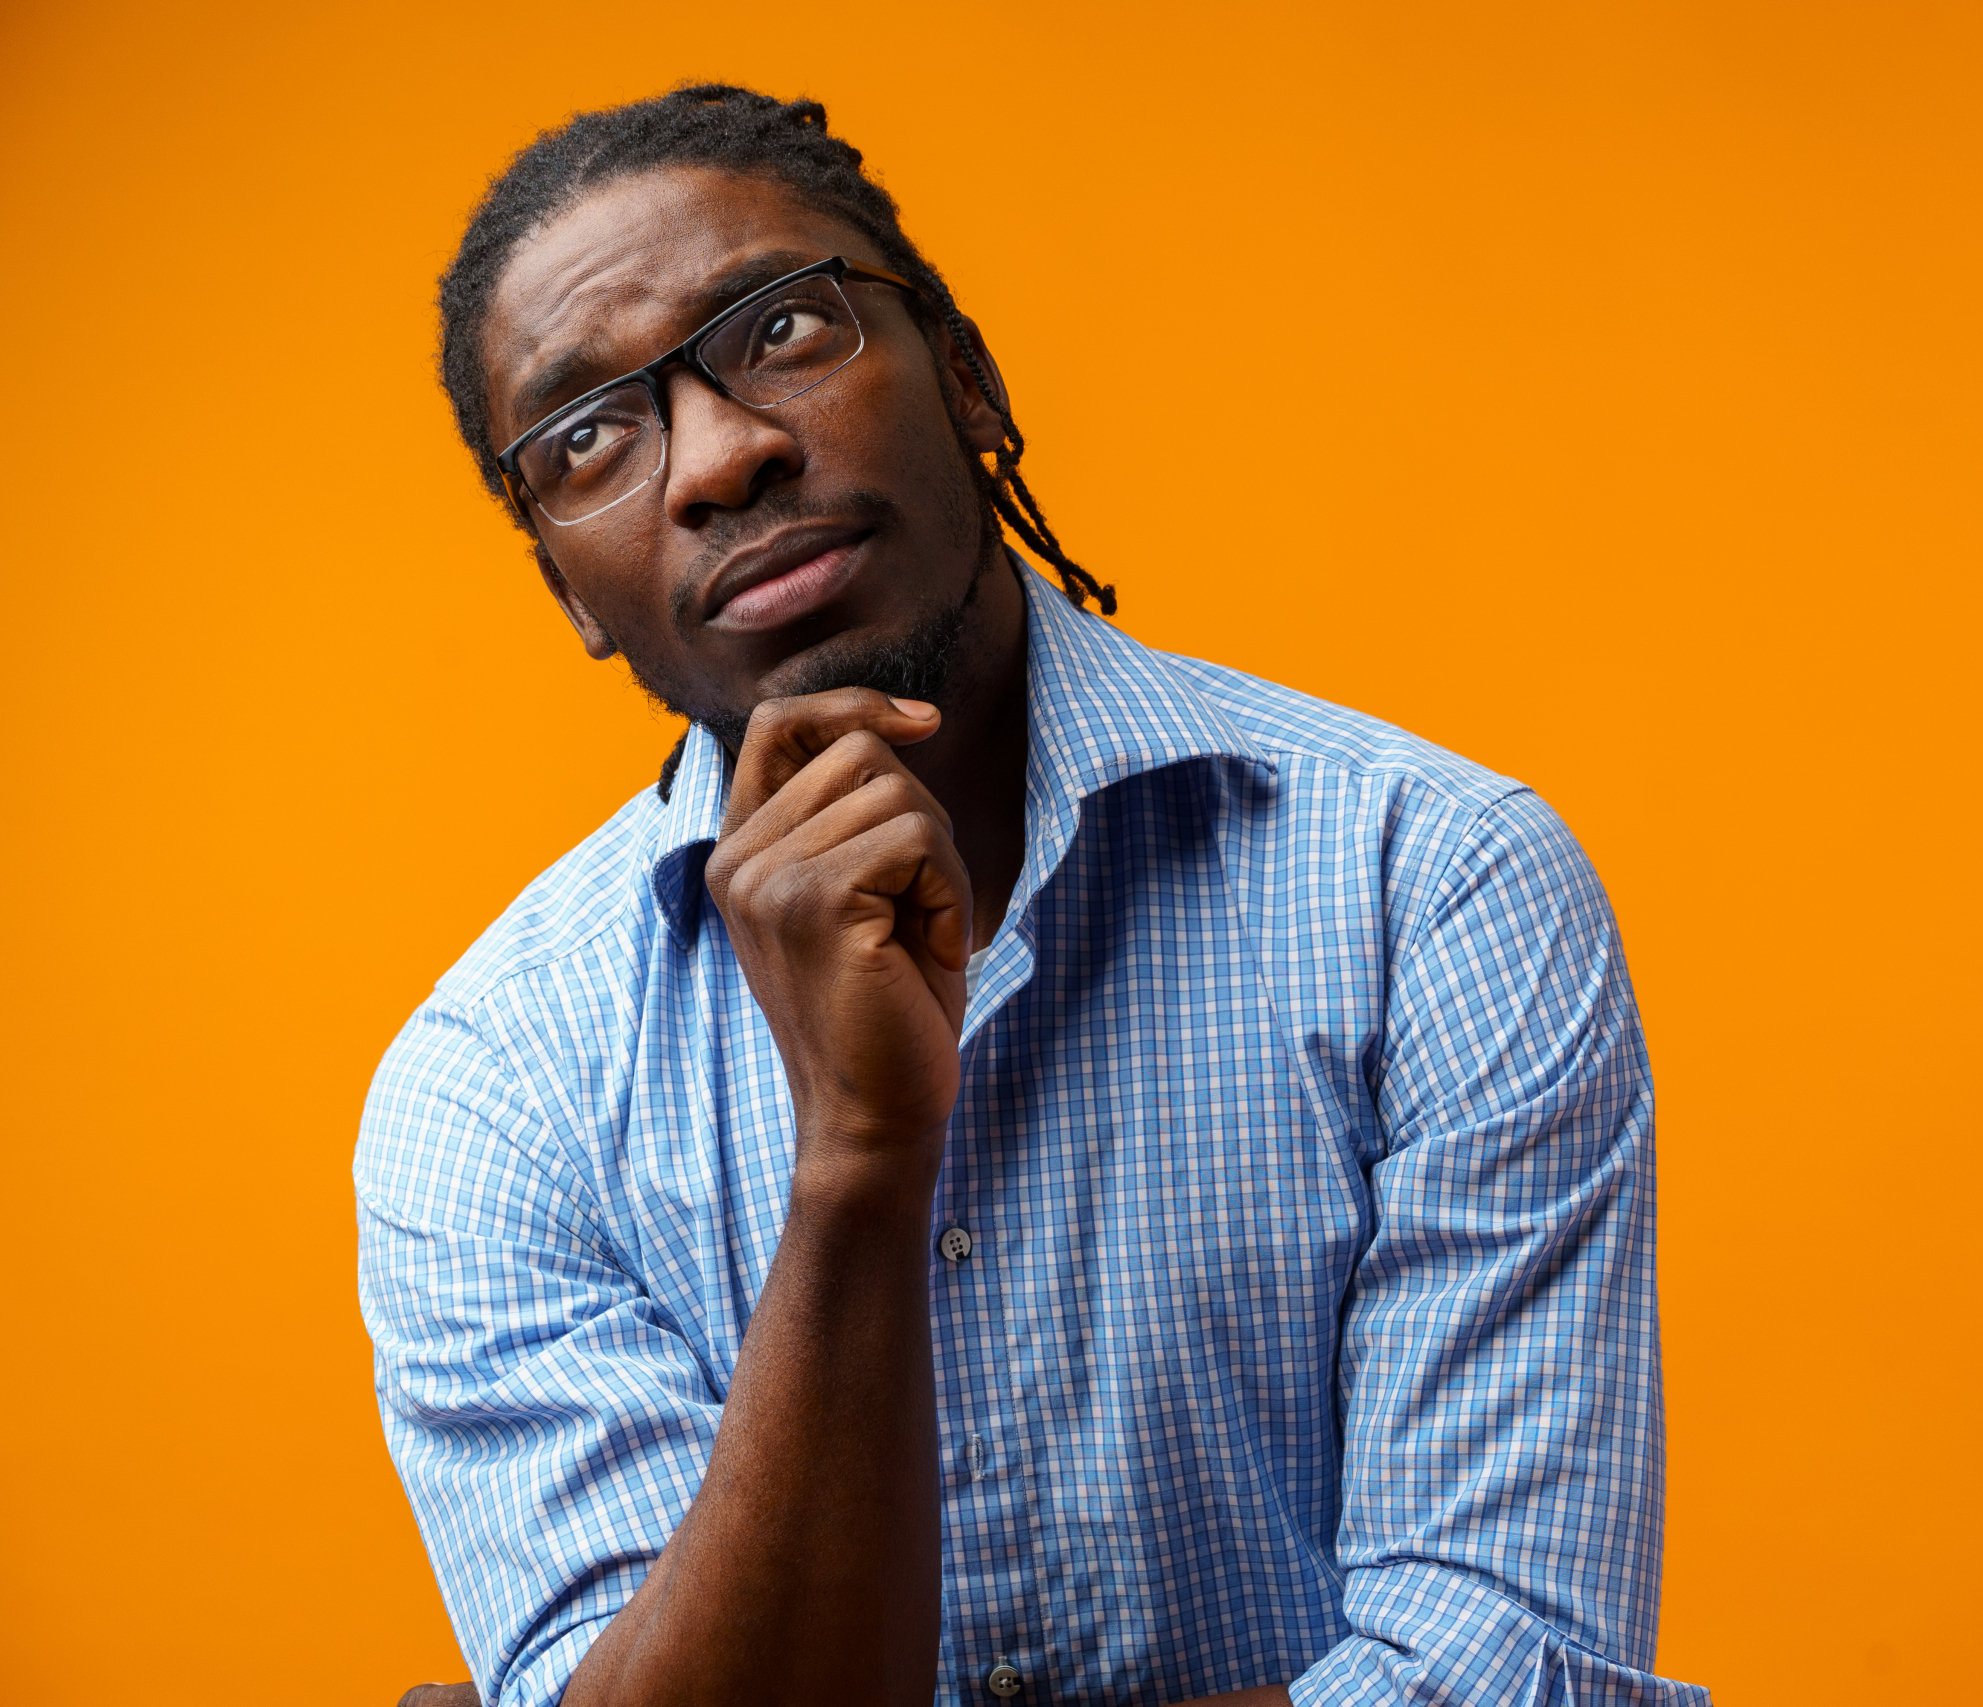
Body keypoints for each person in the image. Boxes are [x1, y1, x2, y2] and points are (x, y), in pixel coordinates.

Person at [358, 83, 1705, 1707]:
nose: (719, 455)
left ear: (973, 382)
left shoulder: (1432, 887)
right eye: (589, 438)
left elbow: (1503, 1676)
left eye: (783, 330)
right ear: (569, 589)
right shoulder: (488, 1094)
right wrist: (858, 1163)